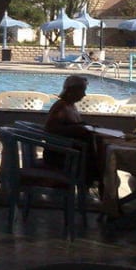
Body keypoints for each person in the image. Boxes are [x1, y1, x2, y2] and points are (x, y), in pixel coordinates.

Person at [44, 74, 102, 207]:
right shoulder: (61, 107)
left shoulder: (70, 106)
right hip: (59, 155)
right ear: (71, 91)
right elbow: (51, 129)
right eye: (82, 90)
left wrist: (87, 127)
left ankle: (92, 188)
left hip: (68, 152)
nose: (84, 95)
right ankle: (90, 188)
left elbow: (74, 124)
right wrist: (79, 130)